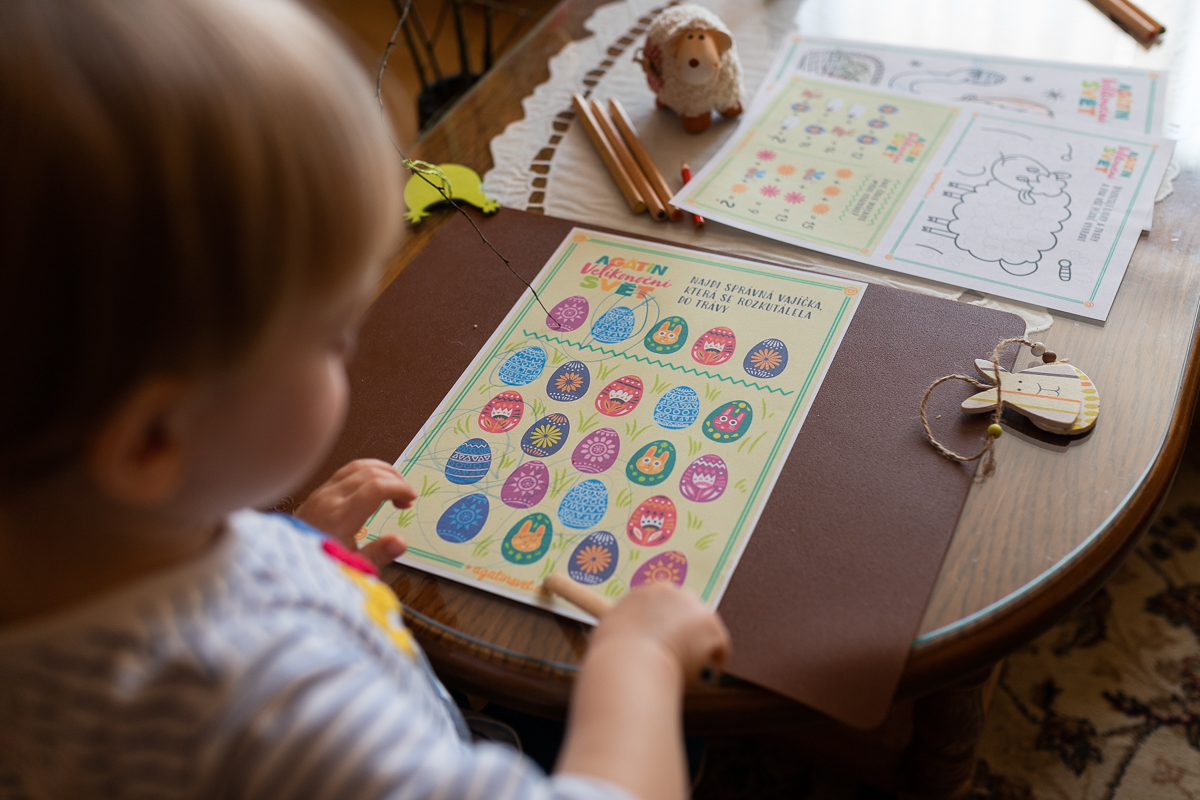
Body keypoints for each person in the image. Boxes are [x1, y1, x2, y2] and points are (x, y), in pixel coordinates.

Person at [0, 1, 731, 798]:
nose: (354, 345)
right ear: (149, 444)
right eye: (328, 336)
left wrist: (292, 545)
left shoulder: (87, 549)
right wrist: (639, 659)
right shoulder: (270, 707)